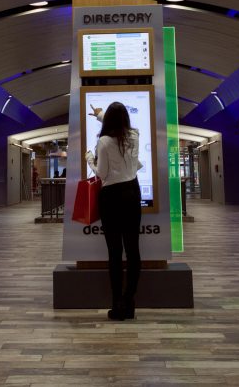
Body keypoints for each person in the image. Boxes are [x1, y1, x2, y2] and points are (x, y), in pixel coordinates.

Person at [85, 102, 142, 321]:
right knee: (133, 250)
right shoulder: (135, 136)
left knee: (115, 252)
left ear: (108, 121)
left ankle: (117, 305)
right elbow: (122, 128)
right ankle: (129, 302)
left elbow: (102, 173)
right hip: (132, 193)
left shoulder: (104, 142)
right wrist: (101, 114)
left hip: (112, 197)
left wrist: (90, 160)